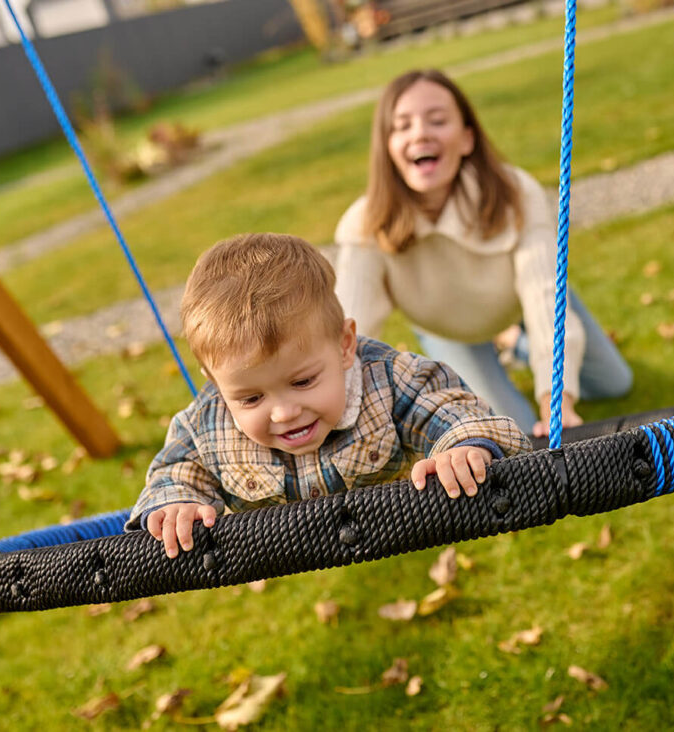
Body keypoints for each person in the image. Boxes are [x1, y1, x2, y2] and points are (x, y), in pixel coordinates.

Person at [125, 233, 530, 559]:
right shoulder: (207, 423)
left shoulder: (385, 380)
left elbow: (447, 406)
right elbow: (177, 471)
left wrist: (461, 446)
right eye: (251, 399)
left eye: (302, 382)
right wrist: (176, 504)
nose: (283, 413)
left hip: (391, 524)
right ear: (215, 382)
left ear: (345, 345)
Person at [334, 69, 633, 437]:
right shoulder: (364, 223)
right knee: (514, 430)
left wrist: (556, 404)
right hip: (449, 331)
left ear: (467, 139)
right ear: (387, 145)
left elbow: (544, 300)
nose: (420, 134)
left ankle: (513, 341)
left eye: (437, 120)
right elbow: (350, 334)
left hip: (519, 304)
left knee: (614, 383)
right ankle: (505, 345)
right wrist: (339, 421)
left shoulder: (515, 193)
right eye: (402, 125)